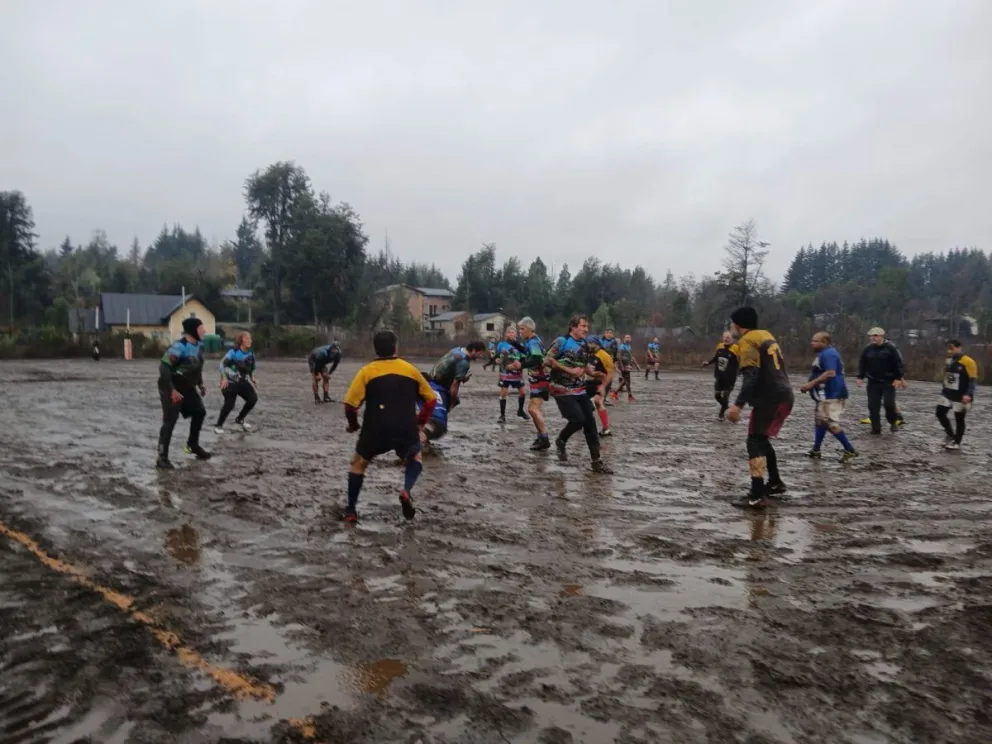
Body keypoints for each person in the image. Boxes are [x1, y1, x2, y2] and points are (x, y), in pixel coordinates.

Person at [341, 330, 438, 523]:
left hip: (375, 426)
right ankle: (406, 490)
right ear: (396, 347)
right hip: (405, 426)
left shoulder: (366, 372)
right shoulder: (411, 370)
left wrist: (353, 424)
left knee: (359, 464)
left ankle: (351, 511)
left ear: (375, 349)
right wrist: (419, 422)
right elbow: (430, 400)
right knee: (415, 456)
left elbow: (350, 405)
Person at [725, 308, 792, 509]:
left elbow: (752, 376)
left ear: (738, 324)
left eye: (731, 324)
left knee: (754, 441)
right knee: (761, 439)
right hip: (784, 394)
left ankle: (757, 495)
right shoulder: (765, 334)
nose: (730, 328)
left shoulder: (747, 341)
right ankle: (775, 483)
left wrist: (737, 405)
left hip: (770, 397)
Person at [545, 315, 613, 473]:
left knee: (590, 421)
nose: (586, 329)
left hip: (579, 389)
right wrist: (568, 370)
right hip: (561, 388)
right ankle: (561, 439)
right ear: (573, 327)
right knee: (578, 419)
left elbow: (584, 366)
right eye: (583, 326)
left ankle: (597, 462)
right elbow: (547, 360)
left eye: (587, 326)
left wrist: (596, 374)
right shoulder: (561, 342)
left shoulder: (584, 344)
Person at [156, 317, 211, 469]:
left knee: (199, 412)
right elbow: (164, 368)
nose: (204, 331)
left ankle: (193, 445)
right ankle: (162, 457)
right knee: (170, 420)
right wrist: (172, 390)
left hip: (187, 385)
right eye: (201, 328)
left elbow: (196, 366)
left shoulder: (199, 345)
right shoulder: (179, 347)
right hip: (171, 384)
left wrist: (200, 384)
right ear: (193, 330)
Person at [799, 332, 858, 461]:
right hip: (826, 395)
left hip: (831, 394)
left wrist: (811, 384)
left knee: (828, 422)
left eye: (815, 341)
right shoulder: (825, 354)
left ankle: (849, 449)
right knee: (820, 422)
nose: (812, 343)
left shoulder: (828, 354)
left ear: (824, 342)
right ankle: (816, 450)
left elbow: (830, 373)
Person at [856, 328, 906, 435]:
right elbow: (862, 363)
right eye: (870, 336)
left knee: (889, 404)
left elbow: (899, 363)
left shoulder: (891, 348)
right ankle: (876, 428)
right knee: (873, 406)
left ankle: (893, 421)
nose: (872, 338)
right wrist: (860, 377)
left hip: (888, 381)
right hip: (873, 381)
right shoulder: (867, 349)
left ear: (881, 336)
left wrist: (898, 378)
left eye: (875, 335)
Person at [936, 339, 978, 450]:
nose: (950, 351)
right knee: (939, 412)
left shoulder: (968, 361)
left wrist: (968, 394)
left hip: (962, 395)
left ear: (959, 348)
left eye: (952, 348)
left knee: (959, 418)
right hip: (948, 393)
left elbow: (972, 379)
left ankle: (957, 442)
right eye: (948, 348)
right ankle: (950, 434)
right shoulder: (948, 360)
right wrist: (943, 390)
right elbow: (947, 376)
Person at [517, 317, 552, 450]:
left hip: (541, 380)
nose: (521, 331)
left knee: (533, 409)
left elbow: (537, 359)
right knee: (532, 410)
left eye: (523, 329)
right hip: (536, 380)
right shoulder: (532, 341)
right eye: (520, 329)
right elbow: (528, 354)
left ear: (530, 329)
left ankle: (544, 437)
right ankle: (541, 436)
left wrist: (521, 364)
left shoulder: (533, 342)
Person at [214, 332, 258, 434]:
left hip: (242, 382)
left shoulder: (251, 354)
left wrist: (253, 378)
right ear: (241, 341)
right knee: (229, 404)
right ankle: (219, 425)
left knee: (253, 399)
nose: (249, 341)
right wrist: (224, 378)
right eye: (247, 339)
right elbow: (222, 364)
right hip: (229, 381)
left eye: (250, 339)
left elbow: (251, 369)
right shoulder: (233, 352)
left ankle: (240, 419)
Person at [702, 331, 740, 420]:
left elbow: (740, 361)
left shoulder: (736, 348)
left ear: (732, 339)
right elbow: (716, 358)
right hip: (719, 376)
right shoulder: (720, 346)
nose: (726, 339)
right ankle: (725, 406)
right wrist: (707, 363)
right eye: (724, 337)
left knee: (726, 395)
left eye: (728, 337)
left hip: (730, 377)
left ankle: (721, 415)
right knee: (717, 395)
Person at [496, 326, 529, 423]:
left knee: (523, 392)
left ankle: (520, 411)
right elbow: (497, 356)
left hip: (517, 373)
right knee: (503, 393)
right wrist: (496, 360)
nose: (511, 334)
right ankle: (502, 415)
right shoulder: (501, 345)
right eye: (509, 332)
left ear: (516, 334)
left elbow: (524, 358)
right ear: (506, 334)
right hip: (505, 372)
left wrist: (517, 365)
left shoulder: (519, 345)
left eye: (513, 332)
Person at [585, 336, 614, 436]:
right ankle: (583, 421)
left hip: (601, 382)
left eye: (590, 343)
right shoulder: (588, 354)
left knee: (598, 401)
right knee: (580, 400)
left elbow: (610, 374)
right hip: (588, 382)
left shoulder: (605, 355)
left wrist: (603, 386)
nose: (588, 345)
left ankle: (606, 428)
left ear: (596, 344)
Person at [612, 334, 640, 401]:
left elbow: (631, 357)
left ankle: (629, 396)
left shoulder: (629, 347)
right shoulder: (622, 346)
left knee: (628, 381)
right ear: (624, 338)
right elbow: (619, 356)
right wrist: (621, 365)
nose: (628, 338)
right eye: (627, 337)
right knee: (625, 380)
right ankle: (615, 393)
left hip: (627, 365)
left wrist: (636, 365)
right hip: (623, 365)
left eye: (629, 337)